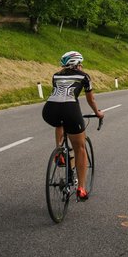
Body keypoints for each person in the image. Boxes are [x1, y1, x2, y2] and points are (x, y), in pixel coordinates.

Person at [42, 50, 104, 201]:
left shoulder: (56, 76)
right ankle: (81, 188)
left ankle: (59, 152)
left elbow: (59, 96)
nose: (82, 67)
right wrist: (98, 113)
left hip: (49, 110)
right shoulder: (84, 77)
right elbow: (91, 100)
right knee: (80, 148)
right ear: (77, 64)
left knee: (60, 123)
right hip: (70, 110)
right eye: (81, 64)